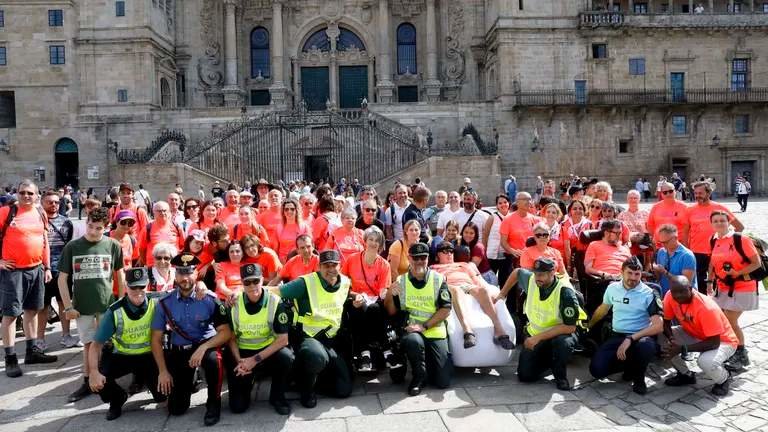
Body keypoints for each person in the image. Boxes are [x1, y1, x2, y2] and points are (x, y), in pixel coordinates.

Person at [151, 254, 231, 426]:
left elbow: (225, 333)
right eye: (180, 273)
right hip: (180, 351)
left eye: (189, 273)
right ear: (175, 274)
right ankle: (191, 379)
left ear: (196, 274)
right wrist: (163, 371)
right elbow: (156, 339)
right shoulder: (165, 303)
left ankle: (213, 403)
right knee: (176, 409)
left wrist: (204, 348)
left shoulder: (209, 299)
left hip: (205, 346)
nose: (185, 278)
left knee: (214, 360)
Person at [58, 207, 126, 401]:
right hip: (82, 306)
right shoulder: (73, 246)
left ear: (105, 228)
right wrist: (68, 307)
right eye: (90, 226)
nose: (93, 231)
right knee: (88, 343)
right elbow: (62, 279)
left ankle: (106, 377)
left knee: (108, 342)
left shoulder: (113, 245)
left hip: (107, 304)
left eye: (98, 228)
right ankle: (87, 380)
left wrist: (120, 301)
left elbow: (119, 275)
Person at [87, 267, 166, 420]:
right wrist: (93, 372)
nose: (138, 291)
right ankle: (117, 398)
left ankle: (148, 382)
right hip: (122, 357)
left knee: (162, 397)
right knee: (98, 383)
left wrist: (200, 286)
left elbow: (182, 291)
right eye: (133, 287)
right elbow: (95, 345)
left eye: (141, 286)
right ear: (126, 285)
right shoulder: (115, 311)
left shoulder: (157, 301)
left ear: (148, 285)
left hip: (150, 357)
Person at [277, 250, 353, 407]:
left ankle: (304, 380)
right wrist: (241, 292)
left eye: (334, 265)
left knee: (344, 390)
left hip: (330, 340)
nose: (331, 269)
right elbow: (275, 291)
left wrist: (357, 297)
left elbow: (344, 295)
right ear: (319, 266)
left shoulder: (345, 282)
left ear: (340, 266)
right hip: (306, 337)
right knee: (317, 356)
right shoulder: (305, 282)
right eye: (326, 265)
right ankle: (307, 391)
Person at [496, 258, 585, 390]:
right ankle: (549, 360)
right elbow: (517, 272)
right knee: (525, 375)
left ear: (552, 272)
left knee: (562, 343)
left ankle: (560, 376)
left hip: (560, 333)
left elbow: (570, 327)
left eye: (542, 274)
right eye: (536, 273)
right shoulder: (532, 279)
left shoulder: (565, 292)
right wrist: (502, 294)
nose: (537, 277)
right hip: (536, 335)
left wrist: (537, 338)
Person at [0, 180, 58, 377]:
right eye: (22, 192)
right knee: (11, 314)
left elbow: (44, 242)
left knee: (32, 310)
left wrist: (47, 266)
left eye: (30, 193)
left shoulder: (40, 213)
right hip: (13, 271)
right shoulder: (6, 212)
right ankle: (10, 358)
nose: (26, 196)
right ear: (17, 193)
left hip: (36, 269)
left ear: (36, 195)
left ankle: (32, 351)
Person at [384, 242, 452, 396]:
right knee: (413, 342)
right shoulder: (401, 281)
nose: (420, 261)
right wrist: (391, 294)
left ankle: (432, 361)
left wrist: (425, 326)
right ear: (409, 258)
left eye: (423, 257)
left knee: (442, 382)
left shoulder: (438, 279)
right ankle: (418, 377)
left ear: (428, 258)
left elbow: (446, 309)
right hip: (412, 332)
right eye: (416, 258)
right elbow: (392, 311)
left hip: (434, 330)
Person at [226, 263, 294, 415]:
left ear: (262, 280)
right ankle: (248, 381)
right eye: (247, 282)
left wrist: (254, 360)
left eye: (255, 281)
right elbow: (230, 337)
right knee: (237, 408)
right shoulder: (234, 303)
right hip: (242, 354)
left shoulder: (275, 301)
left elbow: (283, 340)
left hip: (267, 352)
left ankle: (277, 397)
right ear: (242, 283)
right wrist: (240, 362)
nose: (252, 286)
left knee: (286, 357)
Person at [588, 258, 663, 395]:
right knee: (596, 370)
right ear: (621, 272)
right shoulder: (612, 288)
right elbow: (603, 309)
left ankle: (638, 378)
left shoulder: (649, 293)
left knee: (646, 346)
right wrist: (589, 325)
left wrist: (631, 338)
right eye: (630, 273)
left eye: (637, 274)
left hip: (640, 337)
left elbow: (658, 326)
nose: (633, 278)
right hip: (617, 336)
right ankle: (629, 365)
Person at [661, 275, 737, 397]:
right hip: (695, 333)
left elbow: (714, 343)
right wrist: (671, 339)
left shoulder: (706, 307)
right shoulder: (670, 296)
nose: (679, 295)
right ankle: (686, 375)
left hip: (723, 341)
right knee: (661, 336)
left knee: (705, 362)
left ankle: (724, 378)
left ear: (691, 289)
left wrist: (682, 348)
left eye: (683, 291)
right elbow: (666, 322)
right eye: (675, 292)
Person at [431, 241, 515, 350]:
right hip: (450, 286)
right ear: (437, 255)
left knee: (483, 291)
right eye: (445, 251)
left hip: (467, 285)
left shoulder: (464, 265)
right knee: (456, 290)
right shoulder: (433, 268)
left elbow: (477, 281)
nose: (449, 254)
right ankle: (467, 331)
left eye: (451, 251)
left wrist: (490, 292)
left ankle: (499, 330)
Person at [707, 210, 761, 370]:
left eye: (722, 220)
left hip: (743, 286)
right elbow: (712, 263)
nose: (719, 223)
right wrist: (710, 281)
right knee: (723, 320)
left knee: (730, 320)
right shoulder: (713, 240)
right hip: (723, 287)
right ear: (711, 224)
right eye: (715, 221)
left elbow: (756, 263)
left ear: (729, 221)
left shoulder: (740, 239)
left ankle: (741, 353)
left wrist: (737, 272)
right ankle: (732, 350)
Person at [341, 226, 396, 372]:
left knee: (373, 309)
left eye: (377, 241)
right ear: (365, 241)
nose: (373, 243)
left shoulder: (384, 264)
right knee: (359, 307)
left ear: (381, 244)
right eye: (370, 239)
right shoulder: (352, 259)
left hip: (374, 301)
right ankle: (380, 351)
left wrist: (389, 293)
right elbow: (343, 283)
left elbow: (383, 290)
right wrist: (354, 295)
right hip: (355, 298)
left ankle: (376, 352)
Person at [682, 181, 742, 293]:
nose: (697, 195)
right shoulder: (689, 210)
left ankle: (719, 307)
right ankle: (704, 306)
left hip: (718, 251)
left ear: (708, 193)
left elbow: (739, 227)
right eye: (695, 193)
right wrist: (686, 250)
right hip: (696, 252)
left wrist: (727, 242)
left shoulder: (719, 208)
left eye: (700, 193)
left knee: (720, 281)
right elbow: (685, 232)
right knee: (699, 283)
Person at [37, 190, 77, 349]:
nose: (53, 205)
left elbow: (68, 246)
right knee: (42, 306)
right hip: (42, 270)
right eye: (49, 202)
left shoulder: (66, 222)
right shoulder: (37, 221)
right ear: (42, 203)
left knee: (64, 303)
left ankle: (66, 335)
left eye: (56, 202)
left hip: (62, 270)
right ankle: (39, 339)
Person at [583, 219, 632, 314]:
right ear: (606, 233)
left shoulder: (624, 249)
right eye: (616, 233)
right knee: (614, 286)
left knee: (654, 288)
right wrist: (606, 275)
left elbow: (633, 267)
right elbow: (588, 269)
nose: (619, 236)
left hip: (626, 278)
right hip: (605, 280)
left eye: (620, 233)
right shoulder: (594, 245)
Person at [652, 224, 696, 297]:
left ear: (675, 238)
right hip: (666, 295)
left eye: (666, 242)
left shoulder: (687, 255)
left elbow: (685, 283)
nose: (663, 245)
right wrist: (655, 270)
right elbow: (659, 277)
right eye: (661, 242)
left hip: (683, 297)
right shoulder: (661, 252)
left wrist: (665, 272)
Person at [500, 192, 540, 269]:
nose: (529, 202)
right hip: (514, 260)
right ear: (517, 202)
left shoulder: (534, 219)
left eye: (530, 199)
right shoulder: (508, 219)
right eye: (525, 199)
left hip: (531, 258)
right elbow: (503, 242)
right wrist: (513, 251)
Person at [137, 201, 185, 267]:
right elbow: (141, 249)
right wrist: (148, 263)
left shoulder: (177, 227)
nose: (162, 213)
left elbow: (183, 246)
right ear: (154, 212)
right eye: (159, 211)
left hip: (173, 267)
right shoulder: (147, 229)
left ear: (169, 212)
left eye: (164, 210)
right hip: (154, 267)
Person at [482, 194, 512, 288]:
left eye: (505, 202)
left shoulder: (512, 217)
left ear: (509, 203)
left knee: (504, 281)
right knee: (490, 281)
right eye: (500, 203)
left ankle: (502, 301)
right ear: (497, 205)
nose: (503, 205)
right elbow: (485, 235)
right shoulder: (492, 217)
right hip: (492, 254)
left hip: (506, 255)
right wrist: (484, 252)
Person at [274, 198, 309, 263]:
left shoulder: (304, 226)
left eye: (292, 209)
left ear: (296, 211)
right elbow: (276, 248)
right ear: (283, 212)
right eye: (286, 209)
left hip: (299, 261)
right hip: (282, 262)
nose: (289, 211)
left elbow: (309, 247)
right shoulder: (278, 227)